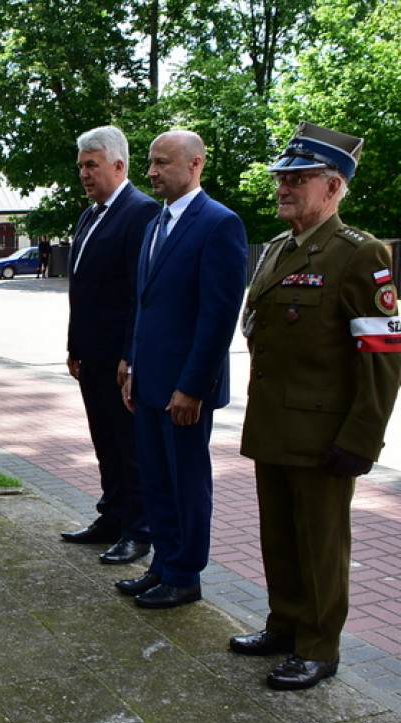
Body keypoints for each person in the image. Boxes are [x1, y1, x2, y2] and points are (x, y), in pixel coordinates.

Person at [232, 122, 401, 690]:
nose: (283, 187)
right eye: (282, 177)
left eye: (298, 178)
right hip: (273, 423)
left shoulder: (359, 253)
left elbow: (383, 356)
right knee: (279, 538)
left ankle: (319, 647)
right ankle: (284, 625)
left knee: (322, 546)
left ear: (332, 187)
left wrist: (361, 440)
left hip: (324, 434)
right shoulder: (279, 249)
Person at [119, 131, 247, 609]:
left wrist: (193, 387)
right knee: (155, 479)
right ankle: (163, 565)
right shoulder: (157, 222)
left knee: (186, 482)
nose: (151, 172)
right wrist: (131, 365)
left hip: (184, 389)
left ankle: (185, 575)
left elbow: (218, 316)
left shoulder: (219, 223)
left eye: (162, 163)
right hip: (149, 381)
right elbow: (144, 302)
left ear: (195, 164)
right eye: (150, 162)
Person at [62, 125, 160, 566]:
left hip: (119, 356)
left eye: (92, 165)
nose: (84, 174)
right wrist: (74, 345)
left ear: (119, 166)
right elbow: (82, 288)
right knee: (104, 438)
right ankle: (112, 516)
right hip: (91, 354)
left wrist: (130, 356)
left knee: (128, 445)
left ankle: (138, 530)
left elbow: (140, 292)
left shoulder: (140, 211)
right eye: (81, 166)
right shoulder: (91, 213)